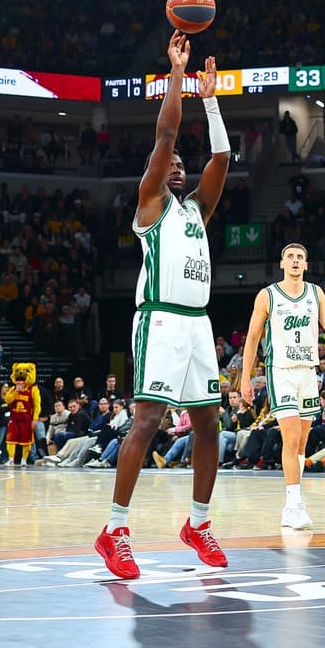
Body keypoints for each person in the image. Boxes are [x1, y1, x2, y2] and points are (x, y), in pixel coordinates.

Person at [99, 34, 229, 580]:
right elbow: (167, 133)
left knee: (209, 425)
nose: (176, 166)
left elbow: (221, 157)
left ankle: (198, 523)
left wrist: (211, 100)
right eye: (168, 163)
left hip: (197, 323)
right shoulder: (151, 203)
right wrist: (177, 75)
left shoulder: (198, 209)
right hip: (159, 318)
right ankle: (115, 530)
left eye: (180, 165)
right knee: (148, 420)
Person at [237, 243, 325, 531]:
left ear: (306, 264)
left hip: (307, 372)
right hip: (280, 371)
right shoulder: (267, 295)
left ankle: (293, 503)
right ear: (282, 263)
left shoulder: (316, 293)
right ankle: (293, 504)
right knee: (291, 438)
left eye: (300, 257)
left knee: (302, 441)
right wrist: (245, 377)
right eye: (290, 257)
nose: (295, 261)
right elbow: (253, 337)